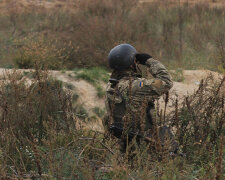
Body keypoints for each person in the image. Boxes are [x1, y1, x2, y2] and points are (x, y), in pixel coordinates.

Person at [103, 44, 176, 154]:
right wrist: (149, 61)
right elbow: (166, 81)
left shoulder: (110, 86)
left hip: (124, 144)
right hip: (145, 143)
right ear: (133, 64)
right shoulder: (137, 85)